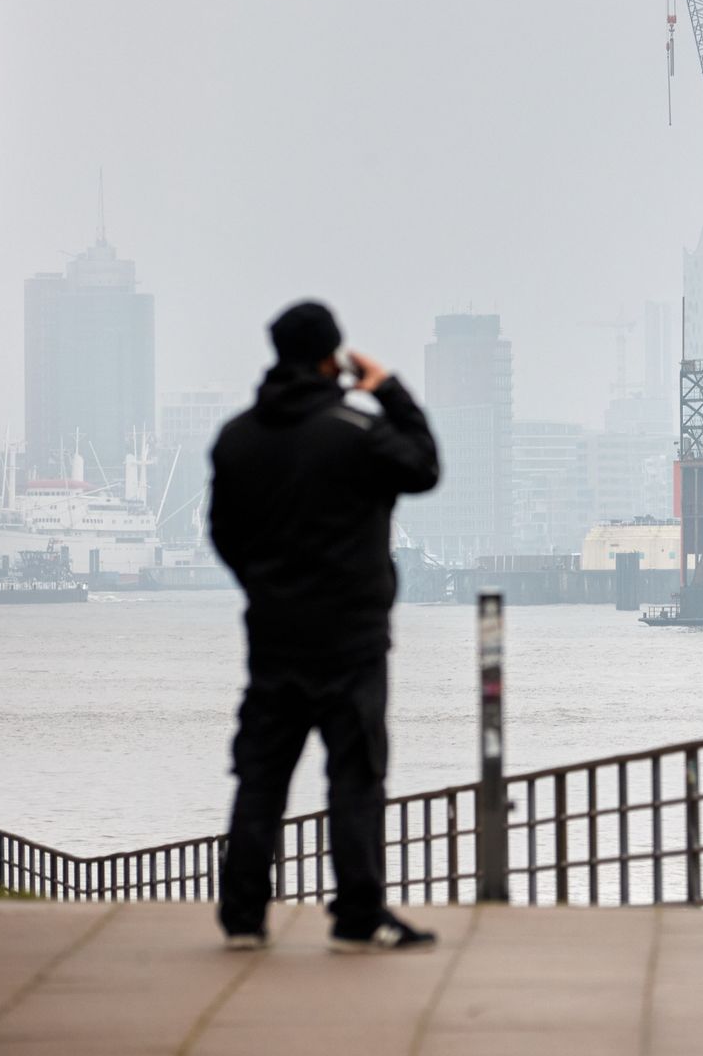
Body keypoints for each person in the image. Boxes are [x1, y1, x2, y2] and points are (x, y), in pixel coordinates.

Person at [209, 301, 441, 952]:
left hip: (274, 636)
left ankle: (244, 917)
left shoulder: (235, 438)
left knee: (259, 775)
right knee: (355, 774)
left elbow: (222, 532)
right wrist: (388, 389)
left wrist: (263, 585)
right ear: (331, 357)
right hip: (352, 639)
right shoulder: (357, 431)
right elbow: (424, 467)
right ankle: (357, 915)